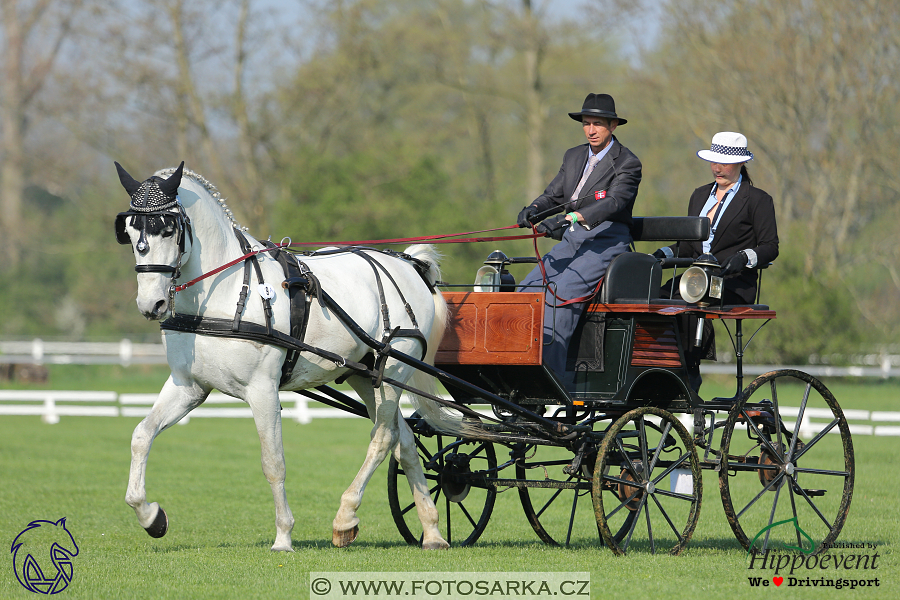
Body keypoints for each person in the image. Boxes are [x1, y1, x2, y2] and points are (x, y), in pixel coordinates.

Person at [516, 93, 642, 384]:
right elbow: (554, 195)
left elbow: (613, 202)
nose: (591, 130)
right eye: (586, 123)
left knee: (561, 294)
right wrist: (533, 210)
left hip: (607, 241)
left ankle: (551, 378)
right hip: (573, 240)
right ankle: (518, 368)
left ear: (613, 125)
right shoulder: (573, 155)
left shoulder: (627, 163)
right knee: (527, 290)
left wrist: (572, 217)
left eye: (598, 123)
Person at [652, 131, 779, 391]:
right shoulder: (699, 196)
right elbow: (686, 245)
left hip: (732, 282)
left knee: (686, 300)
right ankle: (658, 364)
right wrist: (661, 254)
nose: (717, 168)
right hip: (695, 280)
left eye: (724, 162)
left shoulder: (757, 200)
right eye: (714, 161)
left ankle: (689, 370)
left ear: (741, 163)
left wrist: (744, 258)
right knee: (653, 297)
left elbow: (770, 247)